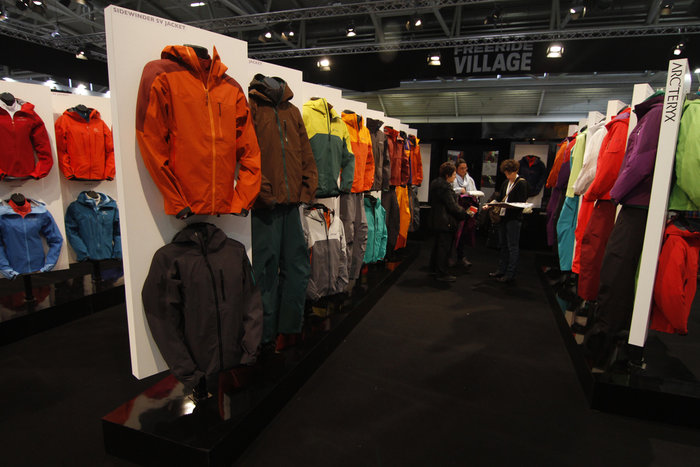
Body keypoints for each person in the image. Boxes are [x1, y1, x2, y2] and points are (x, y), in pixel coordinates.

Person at [483, 159, 528, 283]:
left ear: (516, 171)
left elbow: (521, 203)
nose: (508, 176)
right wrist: (490, 205)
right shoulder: (505, 183)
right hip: (503, 217)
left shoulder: (521, 183)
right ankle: (501, 269)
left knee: (512, 246)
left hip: (514, 218)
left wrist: (508, 206)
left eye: (510, 173)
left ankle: (510, 273)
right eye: (506, 173)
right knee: (503, 245)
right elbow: (499, 197)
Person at [429, 162, 468, 282]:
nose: (455, 177)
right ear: (447, 175)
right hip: (445, 221)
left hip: (436, 219)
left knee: (437, 246)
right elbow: (452, 206)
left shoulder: (436, 184)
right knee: (443, 248)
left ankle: (434, 269)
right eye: (454, 174)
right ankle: (441, 273)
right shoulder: (445, 187)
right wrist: (465, 213)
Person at [451, 159, 478, 268]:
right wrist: (459, 190)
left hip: (468, 208)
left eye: (465, 168)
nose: (464, 170)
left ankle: (461, 257)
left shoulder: (470, 179)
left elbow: (475, 192)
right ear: (456, 169)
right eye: (461, 168)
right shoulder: (453, 178)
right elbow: (451, 191)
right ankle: (452, 257)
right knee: (456, 234)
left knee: (465, 234)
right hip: (457, 209)